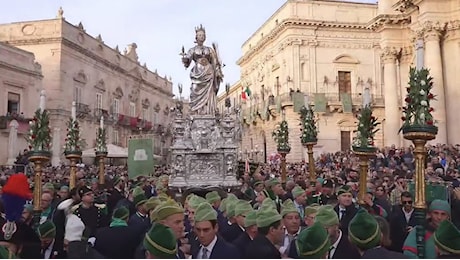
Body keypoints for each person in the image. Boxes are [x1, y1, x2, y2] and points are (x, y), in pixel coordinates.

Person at [181, 24, 223, 115]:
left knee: (209, 93)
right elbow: (187, 61)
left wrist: (218, 71)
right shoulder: (192, 50)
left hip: (208, 73)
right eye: (200, 35)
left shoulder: (210, 49)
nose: (201, 36)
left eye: (203, 35)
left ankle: (208, 112)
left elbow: (214, 62)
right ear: (196, 37)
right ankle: (197, 111)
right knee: (195, 88)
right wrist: (185, 59)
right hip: (197, 73)